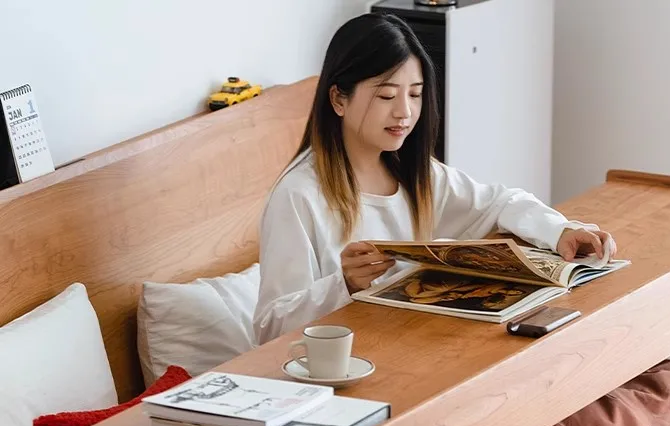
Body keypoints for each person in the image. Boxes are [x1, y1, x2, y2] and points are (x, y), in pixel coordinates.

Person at [253, 12, 616, 344]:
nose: (405, 112)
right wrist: (343, 284)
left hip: (414, 345)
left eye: (415, 94)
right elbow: (270, 327)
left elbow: (499, 203)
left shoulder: (416, 174)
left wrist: (562, 231)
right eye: (386, 95)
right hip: (346, 366)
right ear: (338, 99)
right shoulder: (299, 195)